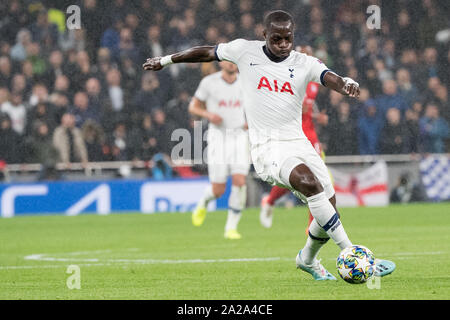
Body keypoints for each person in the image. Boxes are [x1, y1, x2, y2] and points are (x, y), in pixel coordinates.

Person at [143, 10, 395, 281]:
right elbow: (207, 52)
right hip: (267, 148)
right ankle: (353, 253)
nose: (284, 44)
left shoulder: (303, 62)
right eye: (277, 39)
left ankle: (307, 259)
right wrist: (167, 60)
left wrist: (345, 83)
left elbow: (328, 76)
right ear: (264, 35)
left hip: (299, 143)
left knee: (328, 203)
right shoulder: (244, 51)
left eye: (288, 38)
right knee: (308, 182)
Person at [189, 60, 250, 240]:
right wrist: (208, 115)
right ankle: (203, 202)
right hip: (218, 137)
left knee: (240, 181)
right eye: (228, 60)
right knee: (218, 190)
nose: (232, 64)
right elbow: (193, 106)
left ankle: (231, 228)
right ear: (221, 62)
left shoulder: (246, 81)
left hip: (239, 135)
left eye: (235, 61)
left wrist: (250, 120)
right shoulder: (209, 82)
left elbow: (256, 104)